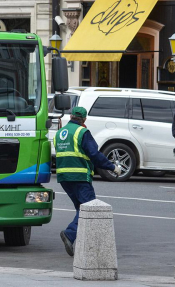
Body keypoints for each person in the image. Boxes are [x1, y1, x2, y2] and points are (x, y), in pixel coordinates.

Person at [54, 106, 121, 257]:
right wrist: (112, 167)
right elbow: (94, 154)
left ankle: (79, 240)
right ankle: (70, 234)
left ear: (71, 116)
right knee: (88, 208)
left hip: (64, 178)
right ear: (84, 119)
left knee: (81, 208)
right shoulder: (82, 132)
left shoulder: (59, 133)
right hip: (80, 176)